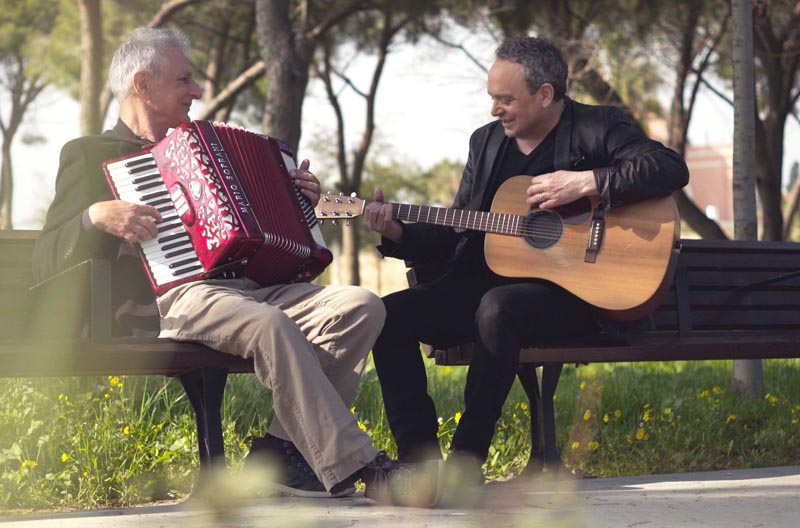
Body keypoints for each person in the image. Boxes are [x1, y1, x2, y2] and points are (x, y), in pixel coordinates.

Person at [33, 27, 442, 507]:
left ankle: (282, 453)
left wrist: (301, 202)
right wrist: (94, 216)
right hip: (168, 300)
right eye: (184, 80)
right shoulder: (89, 155)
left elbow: (266, 233)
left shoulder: (202, 149)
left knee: (361, 305)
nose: (197, 91)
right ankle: (364, 467)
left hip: (244, 288)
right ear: (142, 85)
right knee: (267, 325)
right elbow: (46, 257)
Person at [363, 36, 690, 484]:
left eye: (505, 98)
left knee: (499, 306)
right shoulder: (486, 143)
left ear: (546, 94)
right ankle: (419, 464)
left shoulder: (598, 126)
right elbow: (461, 227)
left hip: (575, 297)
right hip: (480, 287)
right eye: (492, 98)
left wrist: (586, 183)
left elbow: (669, 168)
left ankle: (465, 464)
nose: (495, 109)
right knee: (386, 315)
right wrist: (397, 232)